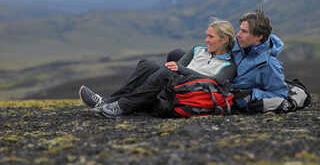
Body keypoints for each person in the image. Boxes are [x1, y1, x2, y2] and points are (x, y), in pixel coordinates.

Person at [79, 19, 237, 117]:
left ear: (223, 40)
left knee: (168, 70)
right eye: (207, 35)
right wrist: (179, 69)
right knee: (149, 64)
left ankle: (121, 105)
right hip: (172, 85)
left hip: (186, 93)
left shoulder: (228, 66)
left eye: (211, 37)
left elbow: (214, 83)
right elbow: (179, 65)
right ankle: (109, 102)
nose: (206, 40)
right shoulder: (197, 50)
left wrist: (182, 70)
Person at [167, 10, 289, 112]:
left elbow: (281, 95)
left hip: (221, 87)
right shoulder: (240, 45)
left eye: (244, 31)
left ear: (258, 36)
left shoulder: (269, 64)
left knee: (177, 68)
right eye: (240, 29)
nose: (238, 35)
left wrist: (252, 94)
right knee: (176, 54)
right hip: (215, 69)